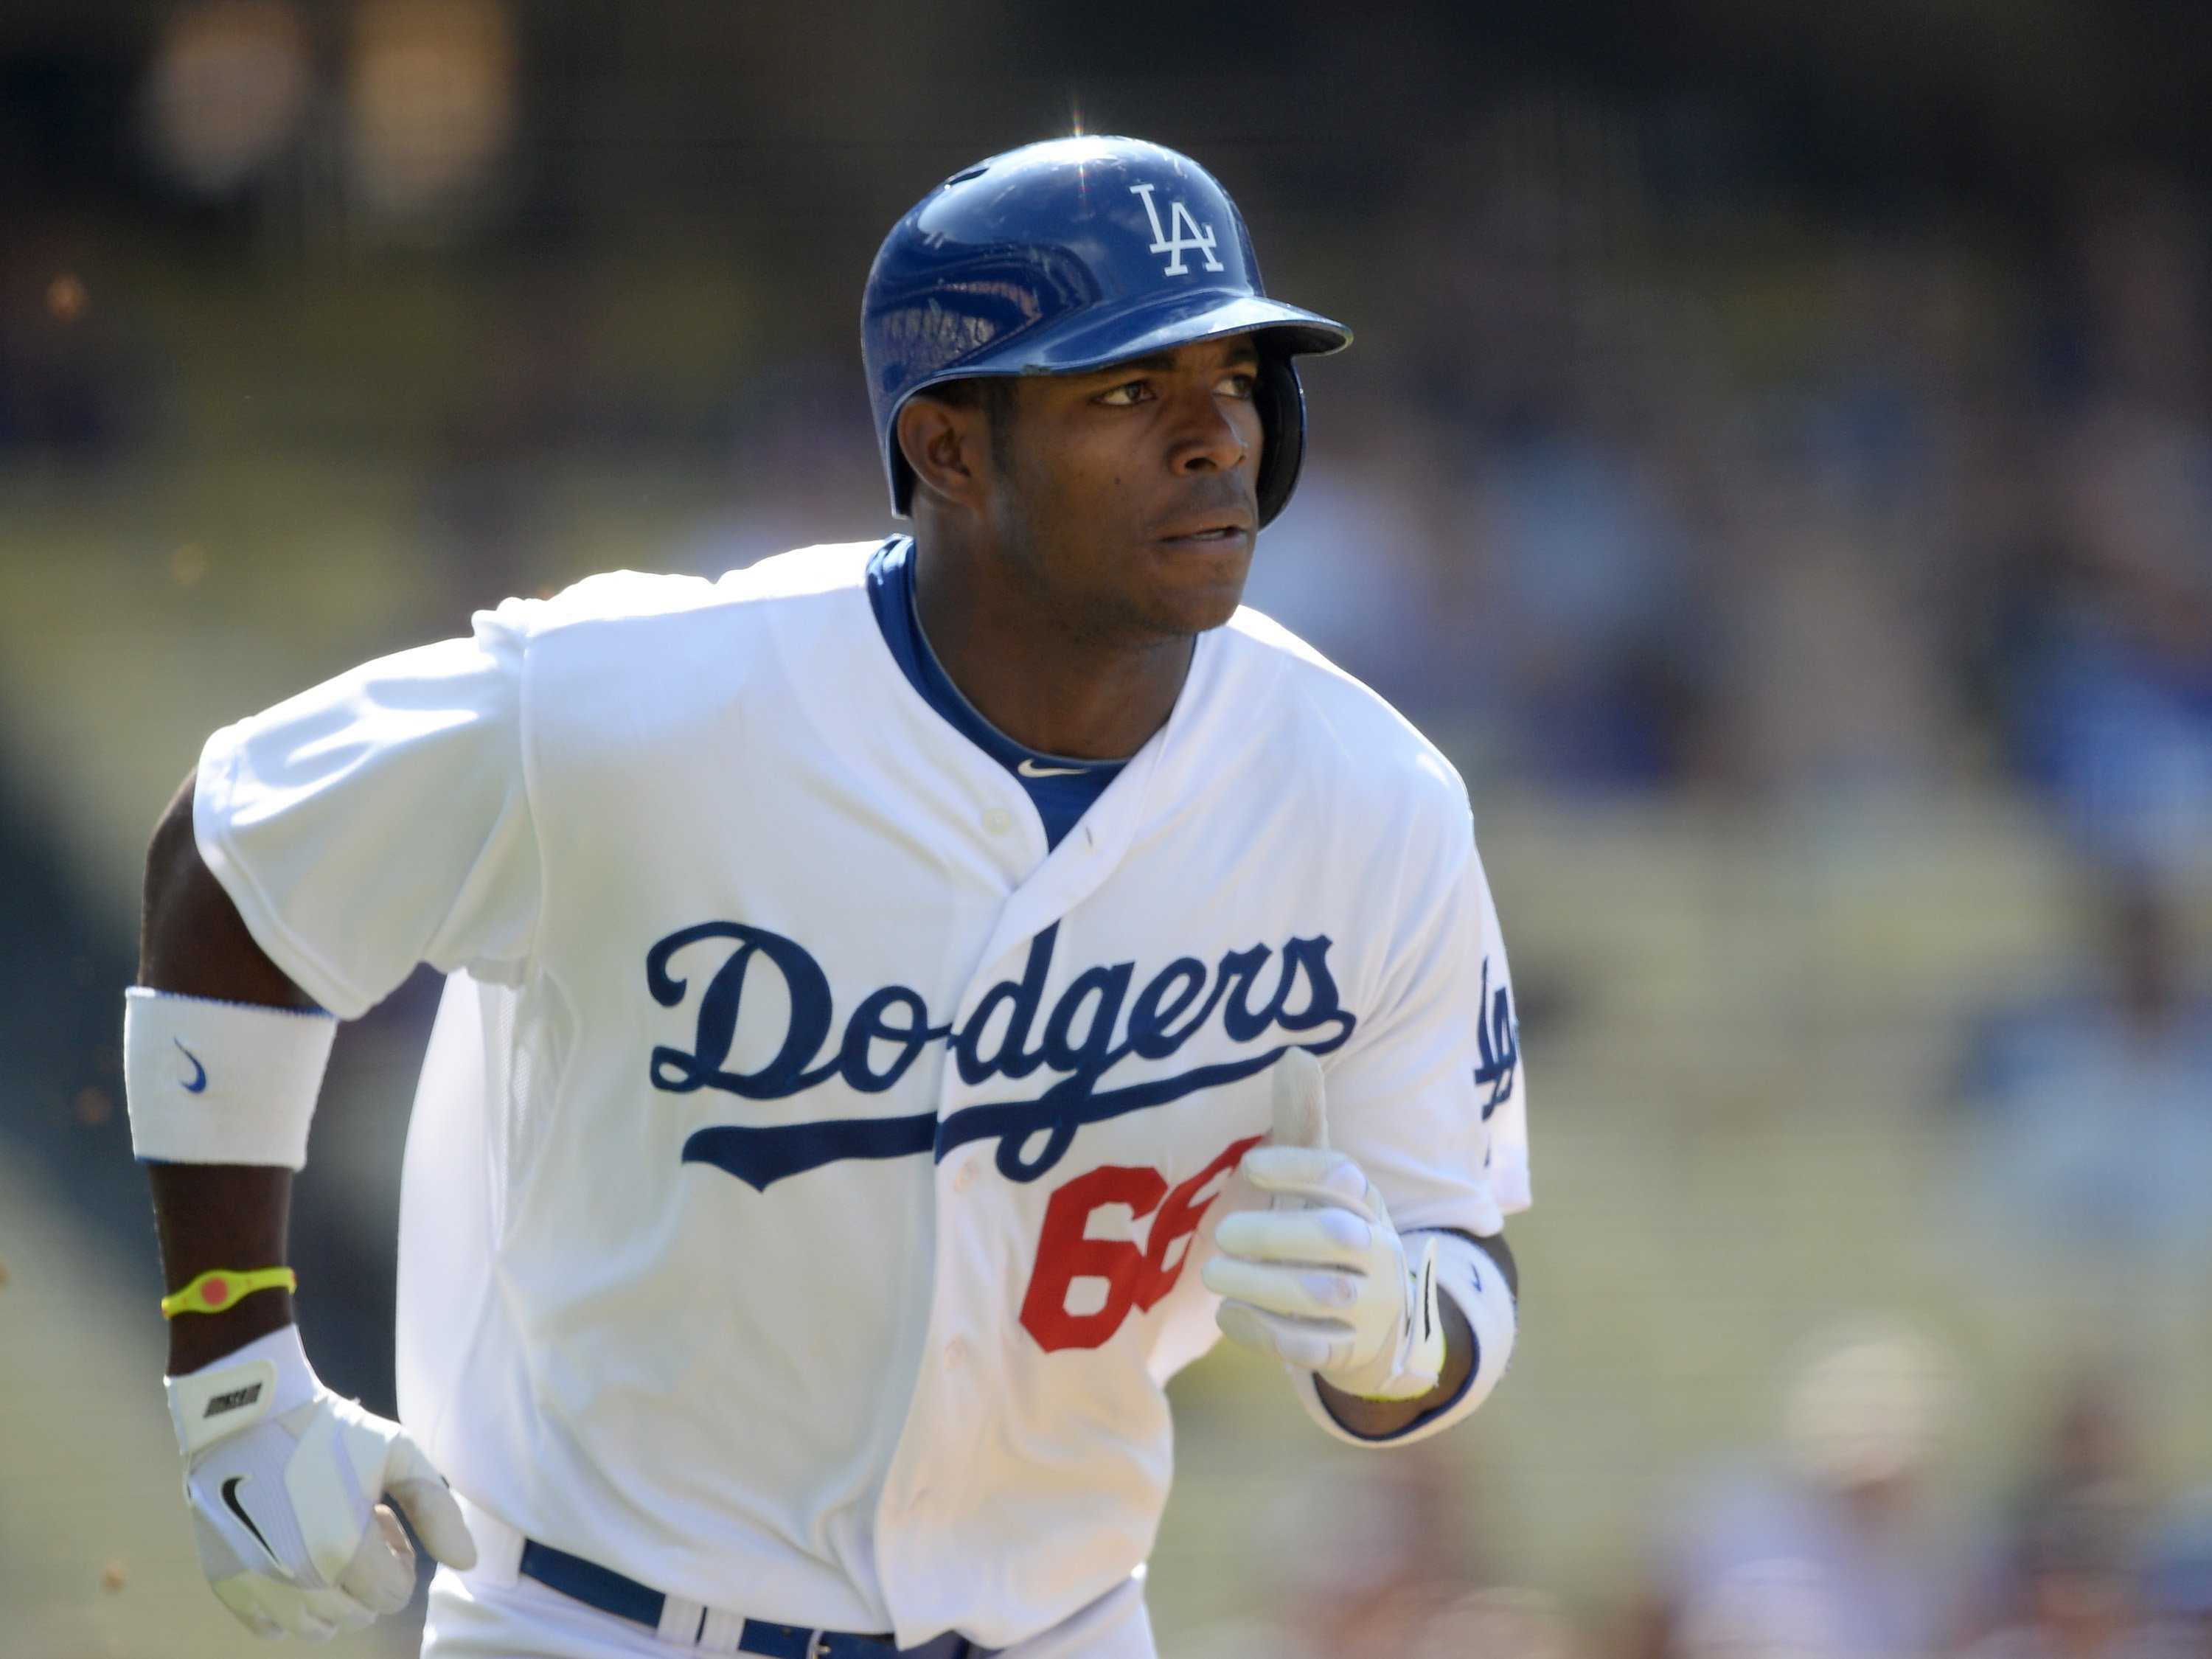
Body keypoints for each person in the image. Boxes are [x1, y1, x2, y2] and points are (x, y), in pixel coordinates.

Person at [125, 136, 1531, 1658]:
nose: (1215, 439)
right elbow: (233, 851)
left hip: (1062, 1624)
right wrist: (235, 1371)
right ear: (946, 448)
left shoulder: (1372, 801)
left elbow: (1468, 1259)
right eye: (1125, 390)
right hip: (599, 1625)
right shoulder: (644, 706)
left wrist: (1398, 1337)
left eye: (1239, 380)